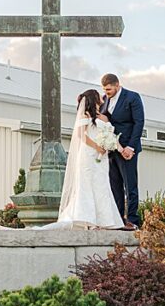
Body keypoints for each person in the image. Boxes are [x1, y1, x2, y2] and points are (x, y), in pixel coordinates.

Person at [53, 88, 124, 229]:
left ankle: (105, 221)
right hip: (88, 154)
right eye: (99, 95)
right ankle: (87, 220)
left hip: (102, 158)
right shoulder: (85, 115)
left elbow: (111, 136)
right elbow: (81, 135)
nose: (102, 98)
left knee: (102, 185)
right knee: (86, 185)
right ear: (94, 99)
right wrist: (97, 146)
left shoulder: (104, 117)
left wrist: (120, 149)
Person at [100, 73, 145, 230]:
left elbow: (139, 122)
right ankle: (118, 219)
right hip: (112, 149)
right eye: (105, 90)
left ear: (117, 85)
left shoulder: (132, 97)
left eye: (109, 89)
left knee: (130, 185)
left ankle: (132, 220)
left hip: (127, 150)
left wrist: (130, 147)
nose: (107, 92)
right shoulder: (104, 100)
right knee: (115, 186)